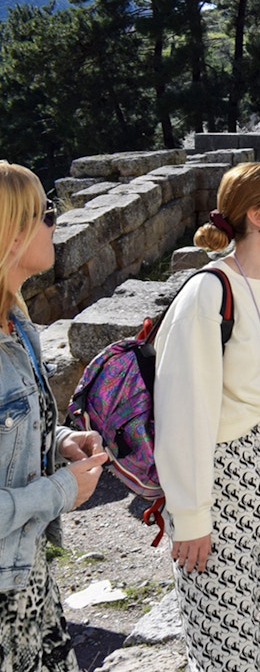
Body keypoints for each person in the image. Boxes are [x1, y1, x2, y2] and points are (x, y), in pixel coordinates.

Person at [154, 162, 260, 671]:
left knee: (254, 626)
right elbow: (182, 411)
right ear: (259, 216)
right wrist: (191, 516)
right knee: (221, 642)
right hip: (222, 482)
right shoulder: (209, 292)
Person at [0, 162, 108, 670]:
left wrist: (61, 440)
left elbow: (16, 434)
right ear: (12, 231)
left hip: (30, 576)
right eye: (46, 212)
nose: (56, 221)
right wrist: (62, 490)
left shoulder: (18, 323)